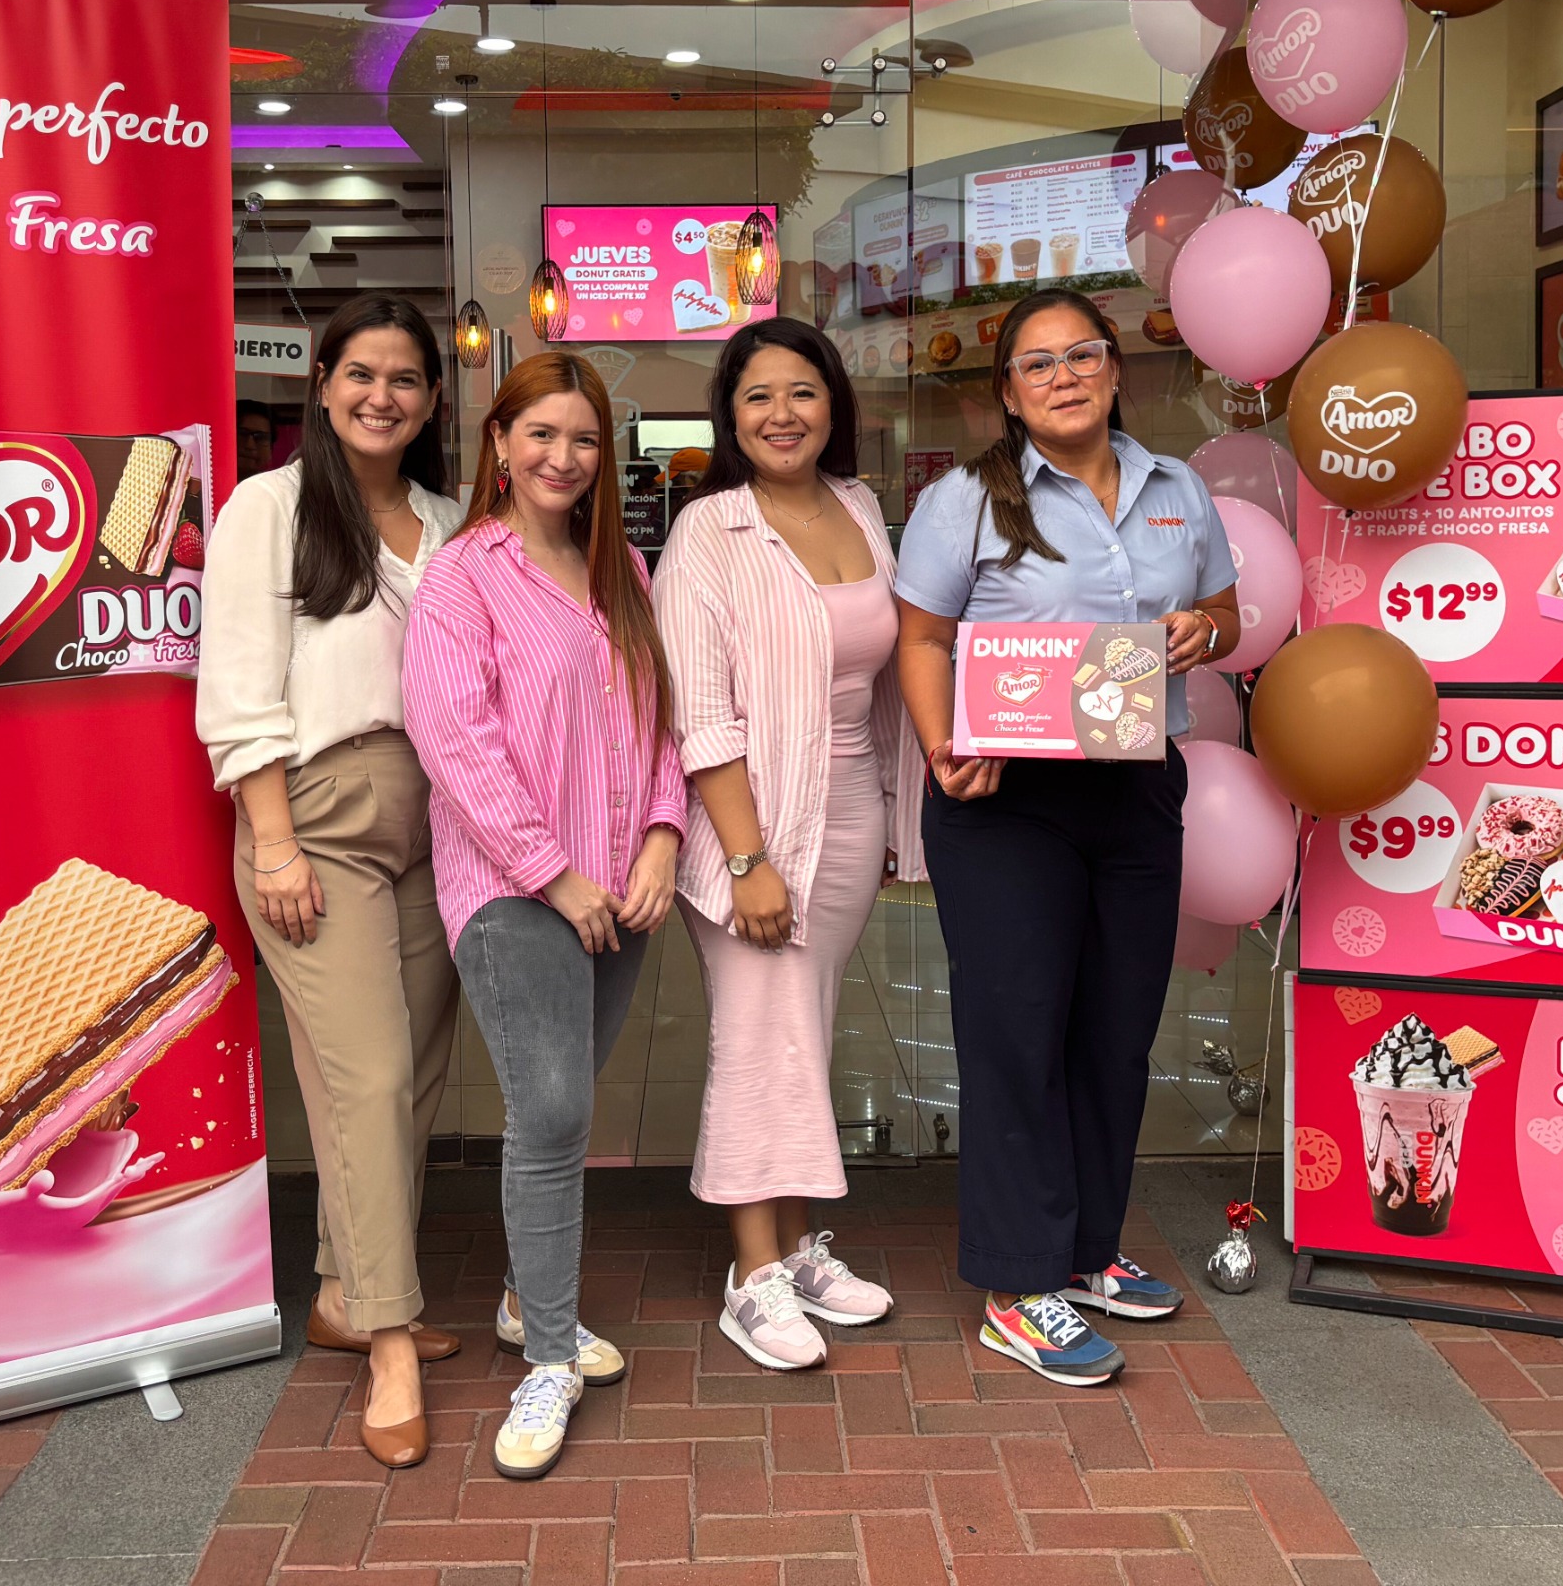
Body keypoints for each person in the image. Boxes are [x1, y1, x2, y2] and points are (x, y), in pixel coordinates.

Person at [892, 289, 1242, 1389]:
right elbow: (920, 635)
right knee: (1017, 1033)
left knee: (1113, 1034)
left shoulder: (1178, 490)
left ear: (1113, 370)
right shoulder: (963, 502)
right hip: (1006, 805)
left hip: (1134, 793)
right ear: (1007, 392)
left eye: (1079, 355)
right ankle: (1017, 1283)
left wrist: (1203, 628)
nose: (1061, 376)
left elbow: (1226, 611)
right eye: (1034, 365)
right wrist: (943, 743)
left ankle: (1087, 1249)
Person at [404, 351, 685, 1481]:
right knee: (554, 1112)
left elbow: (662, 712)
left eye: (582, 439)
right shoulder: (462, 575)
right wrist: (551, 870)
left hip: (622, 887)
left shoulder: (621, 564)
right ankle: (551, 1357)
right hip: (514, 889)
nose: (562, 458)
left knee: (565, 1105)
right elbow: (450, 735)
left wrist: (664, 833)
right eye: (541, 436)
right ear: (498, 444)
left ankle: (531, 1302)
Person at [195, 296, 463, 1470]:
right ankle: (389, 1342)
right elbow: (236, 686)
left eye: (405, 379)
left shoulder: (454, 521)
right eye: (361, 374)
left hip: (441, 819)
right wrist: (271, 843)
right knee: (366, 1080)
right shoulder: (271, 507)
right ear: (321, 382)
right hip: (318, 813)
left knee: (413, 1084)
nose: (382, 396)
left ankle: (345, 1293)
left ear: (432, 400)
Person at [653, 319, 916, 1371]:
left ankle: (798, 1246)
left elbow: (887, 673)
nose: (781, 415)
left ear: (832, 404)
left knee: (803, 1024)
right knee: (758, 1034)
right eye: (757, 397)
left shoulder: (858, 505)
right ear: (730, 415)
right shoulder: (707, 532)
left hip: (848, 804)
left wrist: (897, 812)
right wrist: (750, 861)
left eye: (801, 393)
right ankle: (749, 1274)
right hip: (751, 823)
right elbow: (699, 716)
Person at [237, 399, 276, 478]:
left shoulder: (276, 487)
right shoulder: (207, 483)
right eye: (242, 434)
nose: (250, 445)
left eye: (260, 437)